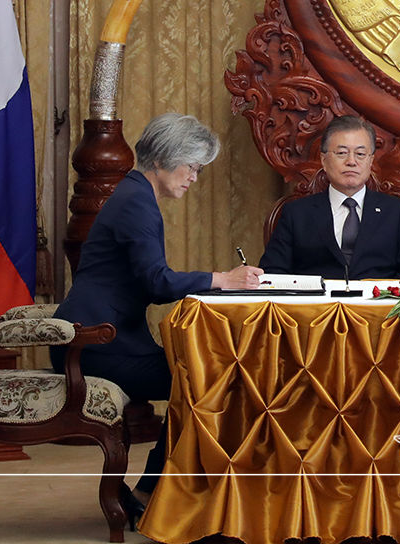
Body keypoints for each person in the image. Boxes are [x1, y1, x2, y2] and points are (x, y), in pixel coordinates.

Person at [52, 113, 262, 524]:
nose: (194, 179)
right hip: (96, 347)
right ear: (167, 159)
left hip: (101, 340)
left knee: (209, 377)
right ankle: (153, 489)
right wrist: (224, 279)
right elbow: (157, 282)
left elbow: (151, 283)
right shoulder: (136, 203)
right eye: (193, 168)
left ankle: (160, 488)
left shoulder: (134, 194)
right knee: (211, 381)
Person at [260, 115, 400, 279]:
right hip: (316, 304)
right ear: (324, 160)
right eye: (342, 153)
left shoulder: (396, 212)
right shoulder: (296, 213)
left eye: (360, 154)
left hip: (377, 303)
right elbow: (273, 274)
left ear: (370, 161)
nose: (351, 161)